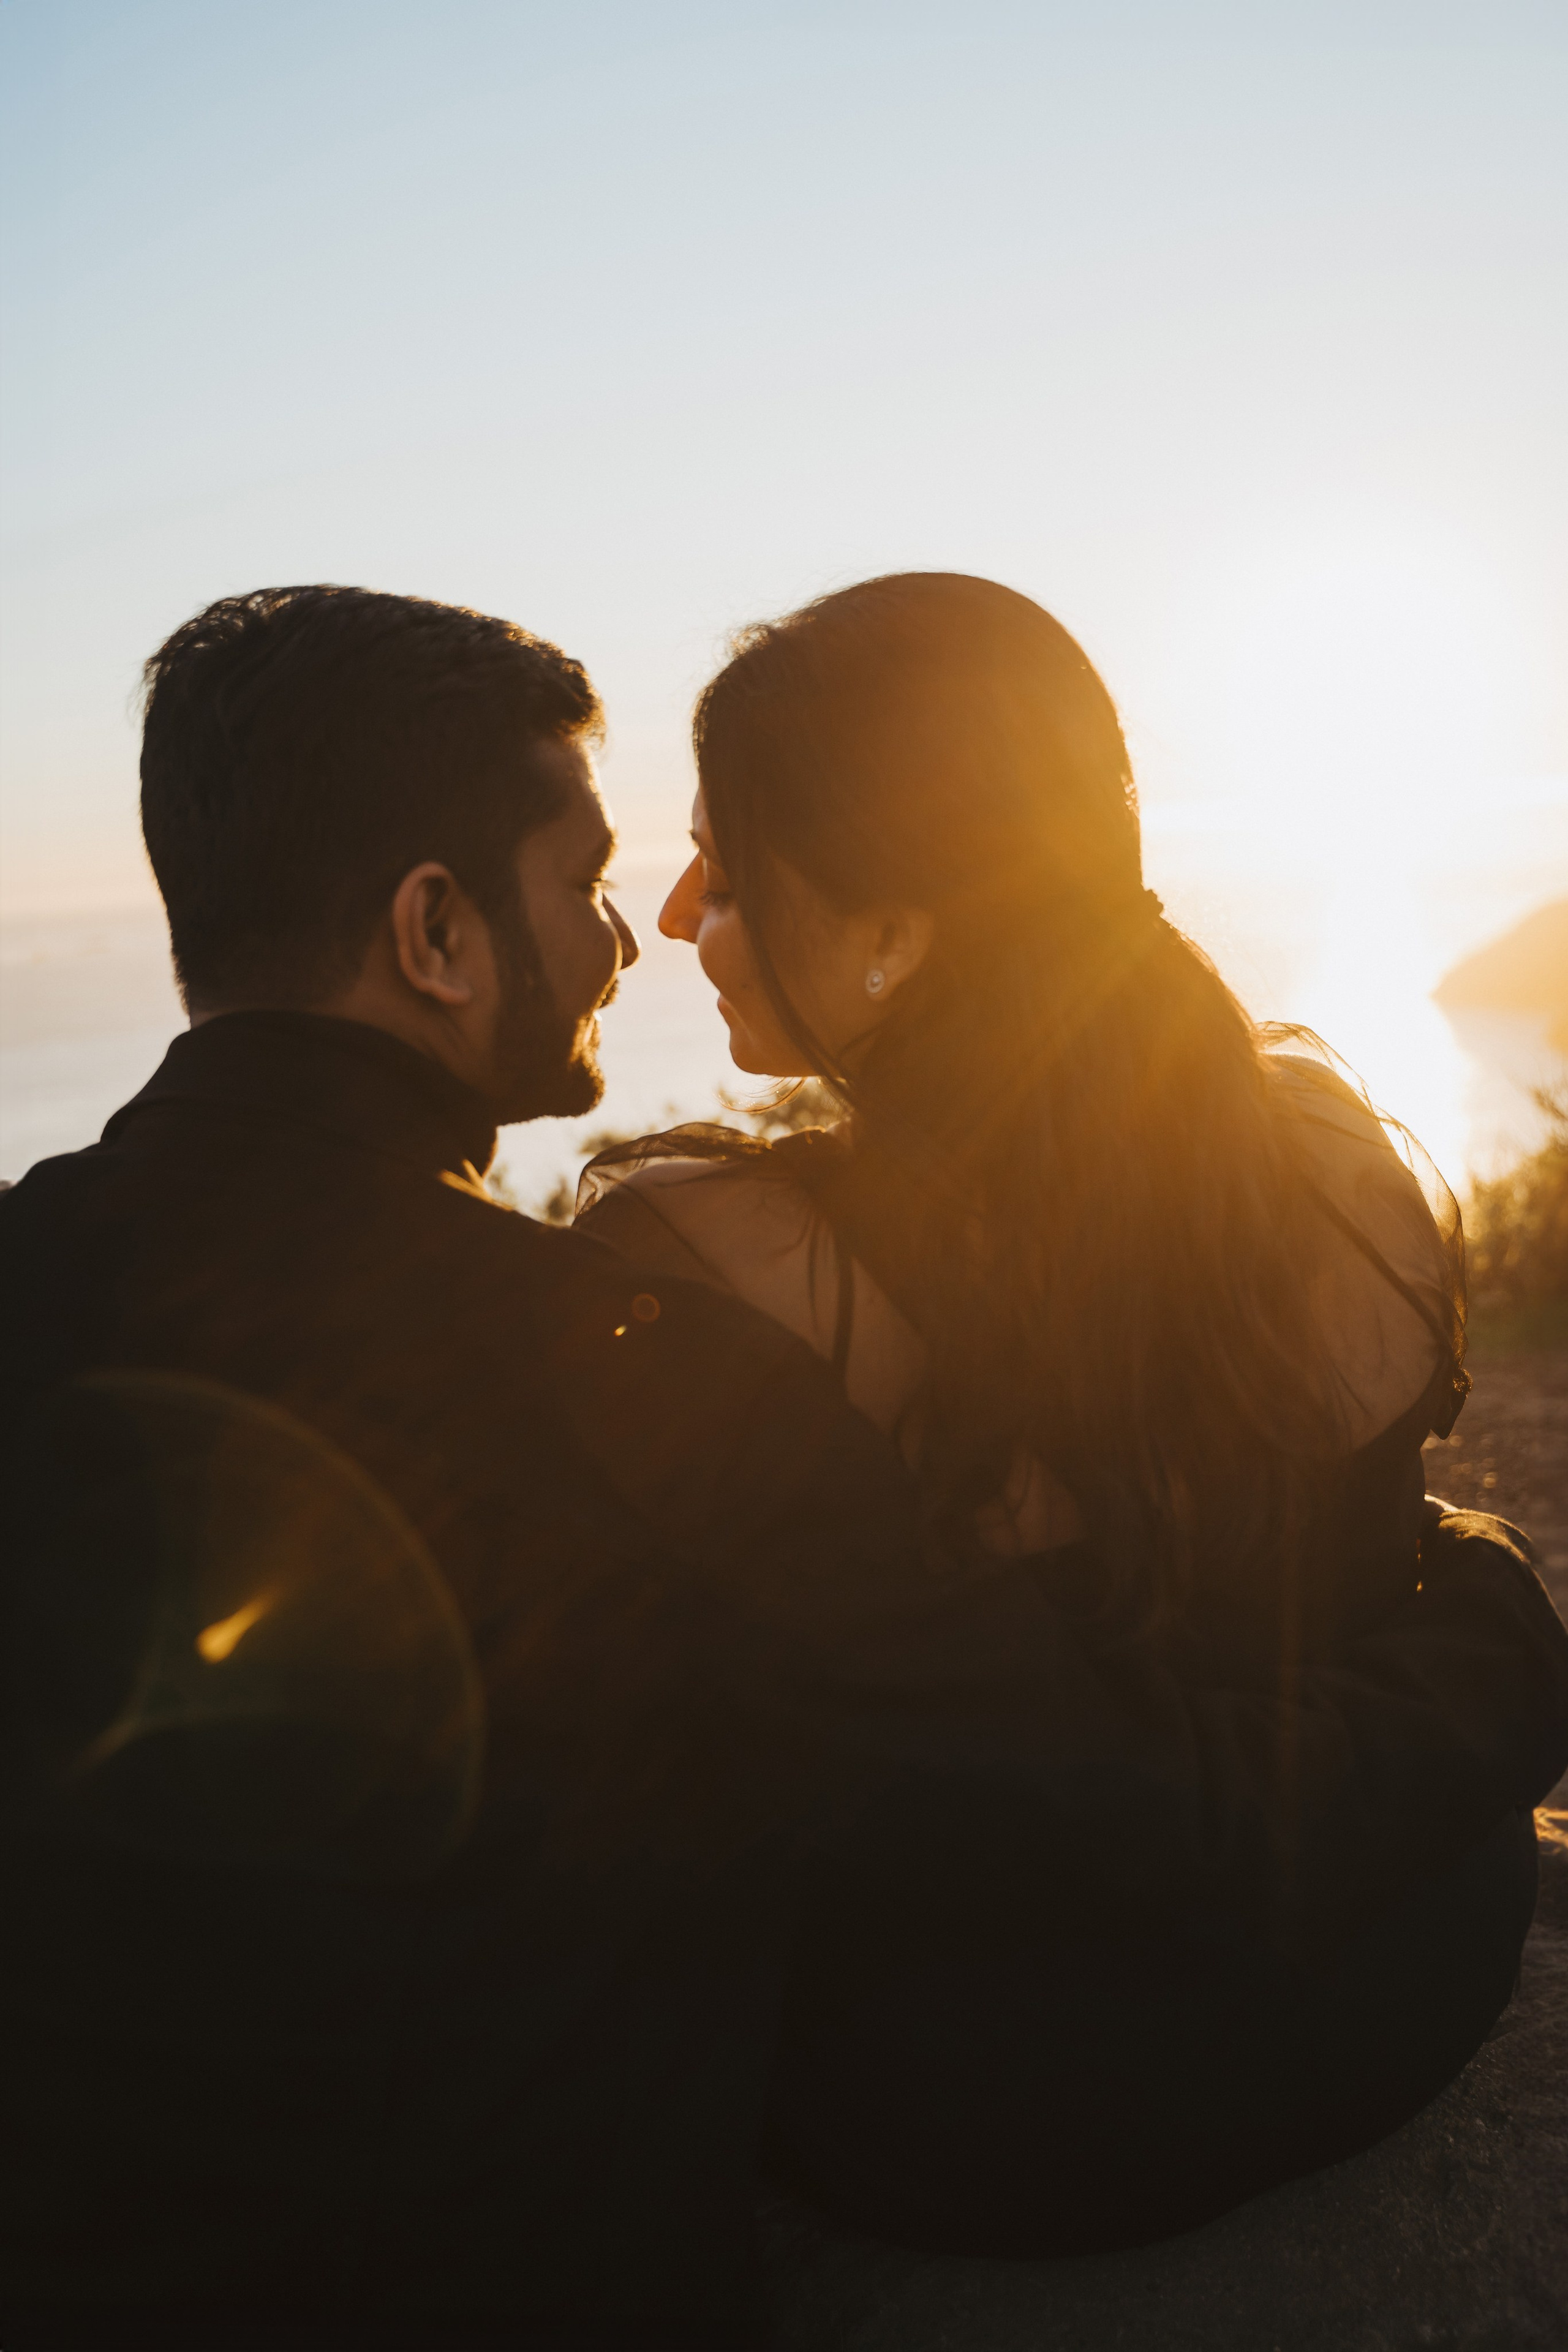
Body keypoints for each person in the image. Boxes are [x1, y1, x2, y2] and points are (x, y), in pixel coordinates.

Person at [0, 586, 1562, 2352]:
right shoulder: (616, 1356)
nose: (642, 935)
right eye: (596, 883)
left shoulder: (69, 1275)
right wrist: (1497, 1625)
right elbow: (1093, 1787)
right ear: (433, 933)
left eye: (711, 876)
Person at [576, 568, 1568, 2252]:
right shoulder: (1324, 1145)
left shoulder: (722, 1263)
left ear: (896, 934)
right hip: (1414, 1967)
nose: (676, 916)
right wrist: (1491, 1613)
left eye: (731, 871)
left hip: (1002, 2102)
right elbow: (1364, 1561)